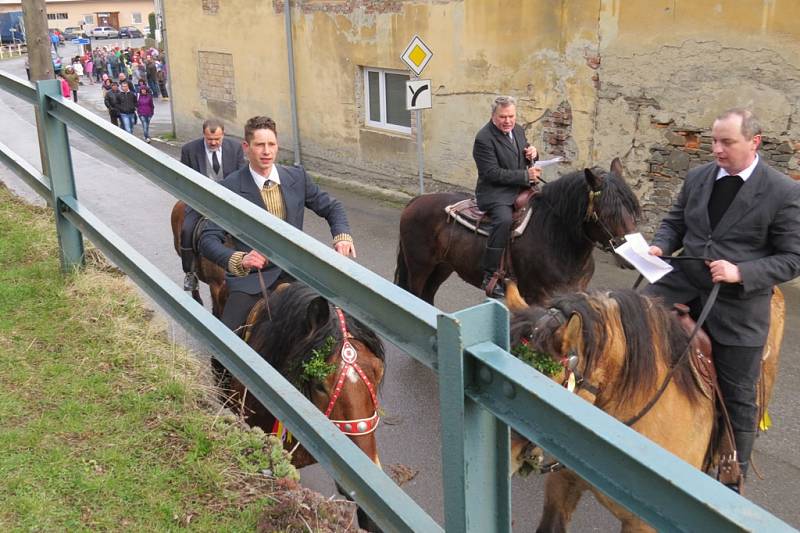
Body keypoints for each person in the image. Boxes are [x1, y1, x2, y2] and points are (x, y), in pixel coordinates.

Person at [645, 108, 800, 492]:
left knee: (739, 396)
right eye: (713, 140)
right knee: (623, 328)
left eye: (726, 142)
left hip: (737, 306)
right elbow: (675, 221)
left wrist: (741, 272)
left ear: (754, 142)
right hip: (681, 283)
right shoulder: (698, 176)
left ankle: (732, 480)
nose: (716, 149)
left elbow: (793, 258)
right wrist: (660, 245)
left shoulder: (783, 191)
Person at [198, 115, 356, 332]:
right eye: (259, 145)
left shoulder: (297, 177)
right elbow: (207, 238)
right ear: (246, 147)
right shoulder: (229, 187)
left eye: (271, 144)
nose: (266, 151)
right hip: (252, 280)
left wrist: (342, 236)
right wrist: (240, 260)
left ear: (277, 146)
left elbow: (332, 207)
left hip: (299, 271)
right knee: (224, 353)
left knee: (343, 324)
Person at [473, 95, 540, 298]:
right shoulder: (484, 138)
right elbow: (491, 173)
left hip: (520, 187)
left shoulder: (518, 130)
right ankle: (490, 273)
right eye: (503, 117)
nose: (508, 121)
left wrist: (533, 155)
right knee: (502, 220)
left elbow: (524, 156)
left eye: (511, 116)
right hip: (495, 192)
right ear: (493, 116)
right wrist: (524, 175)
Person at [179, 120, 246, 291]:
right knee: (187, 230)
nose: (214, 143)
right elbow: (184, 179)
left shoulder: (235, 148)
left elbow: (240, 176)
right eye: (210, 139)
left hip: (229, 201)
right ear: (204, 135)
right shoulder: (189, 150)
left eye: (217, 139)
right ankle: (190, 274)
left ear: (223, 134)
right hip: (200, 201)